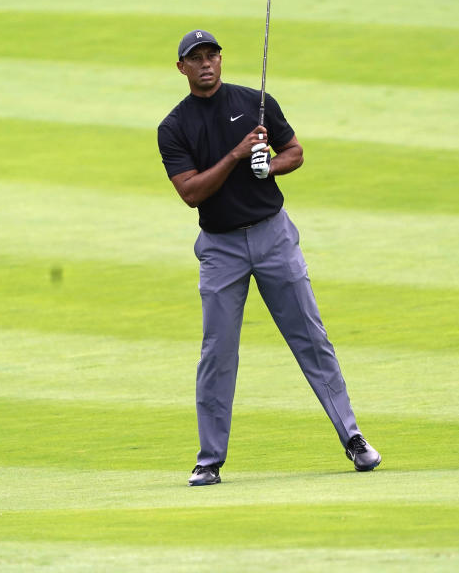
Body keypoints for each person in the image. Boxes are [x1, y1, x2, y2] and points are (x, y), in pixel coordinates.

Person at [157, 29, 380, 486]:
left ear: (221, 59)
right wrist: (239, 155)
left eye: (212, 55)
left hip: (273, 236)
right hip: (220, 249)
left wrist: (270, 165)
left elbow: (294, 151)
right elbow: (191, 192)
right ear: (181, 67)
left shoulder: (256, 102)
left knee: (311, 338)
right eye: (195, 58)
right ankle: (209, 460)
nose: (205, 64)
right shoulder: (174, 127)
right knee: (217, 353)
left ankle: (354, 439)